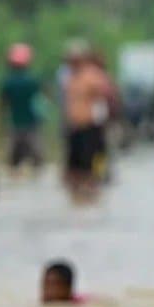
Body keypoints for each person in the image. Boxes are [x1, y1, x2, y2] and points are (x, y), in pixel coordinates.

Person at [63, 49, 119, 202]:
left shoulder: (93, 76)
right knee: (75, 160)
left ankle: (91, 185)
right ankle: (78, 190)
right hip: (75, 124)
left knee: (90, 158)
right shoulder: (71, 77)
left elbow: (108, 95)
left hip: (91, 124)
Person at [0, 43, 45, 171]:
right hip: (31, 123)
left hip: (14, 122)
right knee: (36, 157)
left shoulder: (7, 82)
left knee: (13, 158)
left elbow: (1, 104)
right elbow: (40, 102)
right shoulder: (32, 81)